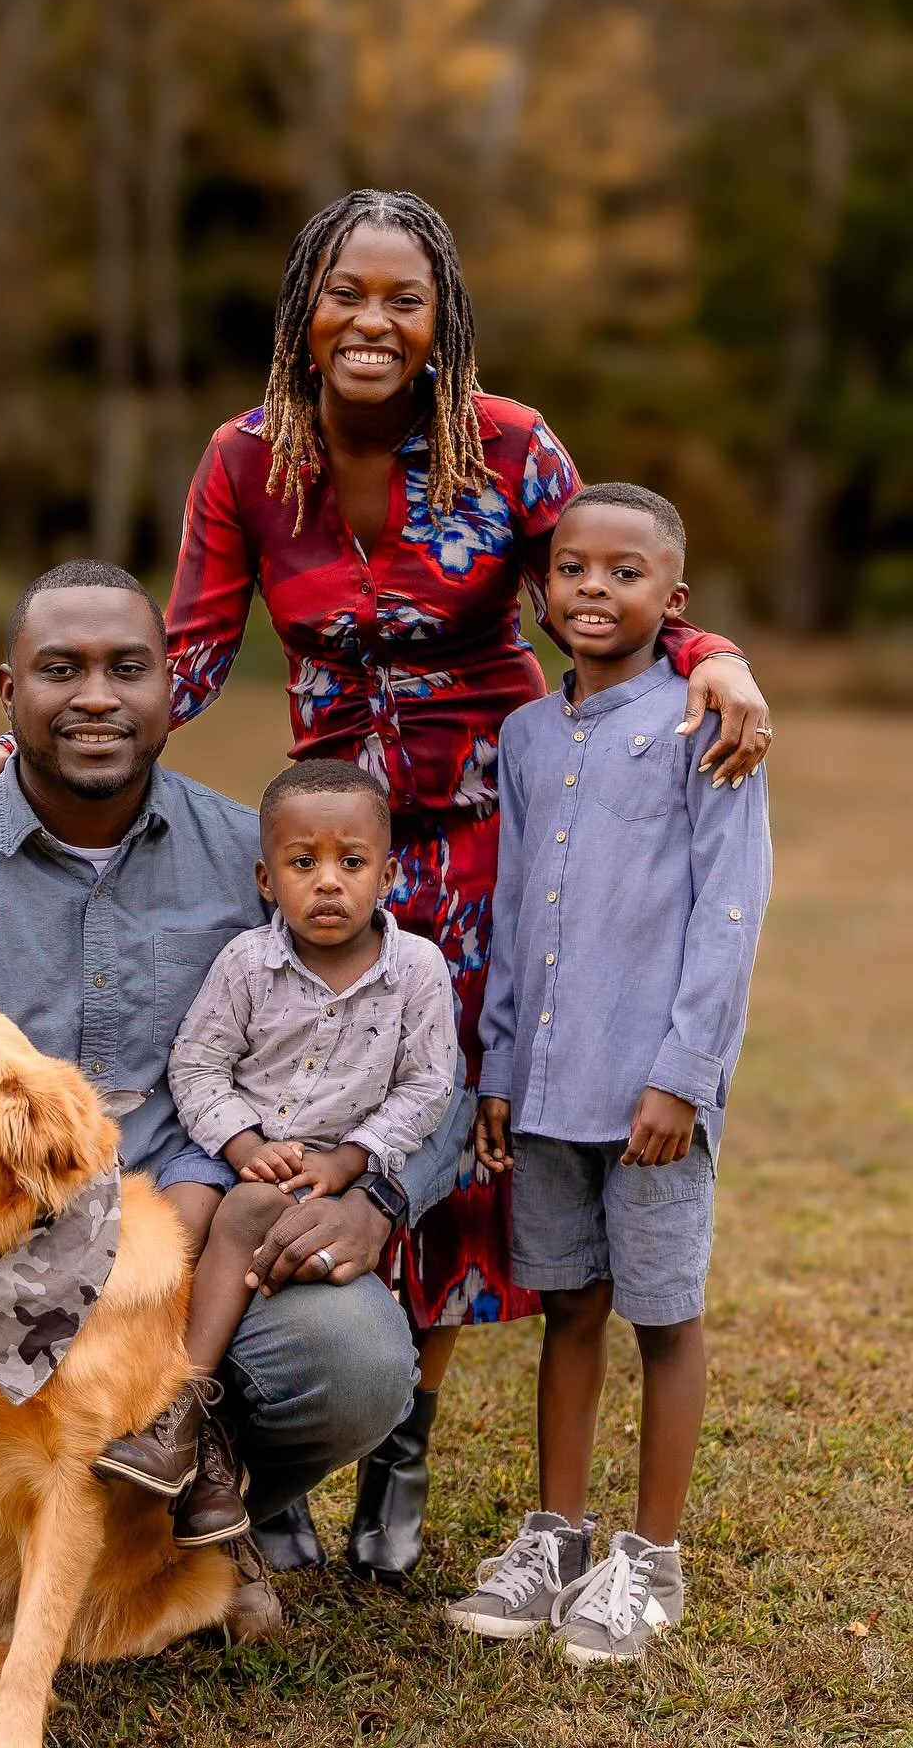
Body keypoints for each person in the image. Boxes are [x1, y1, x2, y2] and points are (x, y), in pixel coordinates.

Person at [0, 189, 773, 1580]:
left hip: (488, 830)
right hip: (334, 839)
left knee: (445, 1124)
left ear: (441, 322)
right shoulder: (247, 460)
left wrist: (713, 655)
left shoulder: (509, 445)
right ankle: (301, 1434)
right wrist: (36, 738)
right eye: (346, 294)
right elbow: (186, 653)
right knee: (314, 1105)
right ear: (304, 309)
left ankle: (403, 1438)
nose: (373, 321)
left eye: (403, 299)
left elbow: (608, 580)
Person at [0, 561, 473, 1661]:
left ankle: (183, 1505)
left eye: (128, 668)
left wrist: (379, 1200)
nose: (97, 696)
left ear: (172, 686)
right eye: (60, 670)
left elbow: (427, 1062)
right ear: (7, 691)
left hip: (185, 1272)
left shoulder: (260, 862)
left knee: (354, 1361)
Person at [443, 484, 772, 1662]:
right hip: (546, 1087)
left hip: (651, 1096)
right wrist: (498, 1063)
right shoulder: (527, 737)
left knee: (663, 1316)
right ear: (541, 591)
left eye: (625, 573)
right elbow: (512, 904)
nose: (594, 588)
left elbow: (730, 909)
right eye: (573, 568)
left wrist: (685, 1073)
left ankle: (650, 1560)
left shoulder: (706, 722)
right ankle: (557, 1538)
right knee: (569, 1309)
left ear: (674, 599)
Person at [94, 758, 458, 1548]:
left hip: (328, 1173)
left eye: (351, 863)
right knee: (173, 1222)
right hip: (230, 1148)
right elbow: (197, 1064)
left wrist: (351, 1162)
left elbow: (429, 1086)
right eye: (302, 863)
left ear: (388, 875)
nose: (327, 882)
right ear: (267, 879)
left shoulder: (417, 972)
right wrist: (243, 1142)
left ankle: (181, 1412)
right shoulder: (247, 964)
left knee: (252, 1214)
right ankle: (135, 1397)